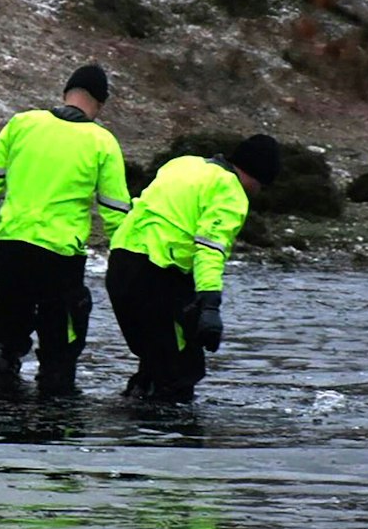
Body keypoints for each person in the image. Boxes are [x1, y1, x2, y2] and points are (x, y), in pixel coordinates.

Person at [0, 64, 131, 394]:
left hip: (12, 243)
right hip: (60, 254)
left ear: (66, 93)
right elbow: (115, 210)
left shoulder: (22, 123)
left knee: (8, 330)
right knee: (60, 344)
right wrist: (125, 254)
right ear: (99, 104)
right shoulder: (102, 142)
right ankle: (54, 422)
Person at [106, 135, 281, 401]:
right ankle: (170, 437)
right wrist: (210, 306)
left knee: (156, 359)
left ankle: (134, 424)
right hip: (157, 273)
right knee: (181, 371)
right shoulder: (230, 191)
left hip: (120, 265)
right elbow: (210, 249)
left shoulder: (183, 164)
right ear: (258, 177)